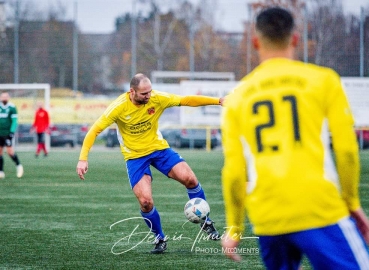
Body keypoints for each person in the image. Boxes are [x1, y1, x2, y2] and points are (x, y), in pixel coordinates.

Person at [221, 7, 369, 269]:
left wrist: (235, 227)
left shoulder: (238, 98)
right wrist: (352, 203)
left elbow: (233, 170)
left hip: (268, 217)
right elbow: (346, 150)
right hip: (318, 209)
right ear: (296, 39)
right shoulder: (323, 80)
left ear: (256, 42)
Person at [76, 73, 224, 254]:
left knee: (190, 179)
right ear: (132, 92)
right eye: (144, 93)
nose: (149, 96)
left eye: (150, 91)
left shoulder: (157, 98)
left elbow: (187, 100)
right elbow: (94, 131)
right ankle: (159, 238)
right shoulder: (119, 107)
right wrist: (83, 158)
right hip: (135, 157)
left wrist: (218, 100)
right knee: (145, 202)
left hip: (159, 149)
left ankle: (206, 222)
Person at [0, 92, 24, 179]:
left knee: (10, 152)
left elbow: (14, 121)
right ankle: (1, 171)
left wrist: (12, 132)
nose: (4, 98)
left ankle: (19, 166)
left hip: (7, 133)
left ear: (8, 97)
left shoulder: (12, 107)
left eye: (6, 96)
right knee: (0, 152)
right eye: (3, 96)